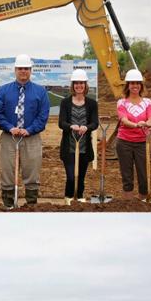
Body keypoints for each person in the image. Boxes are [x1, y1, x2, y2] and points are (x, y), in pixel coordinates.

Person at [0, 54, 50, 207]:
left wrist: (29, 130)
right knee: (8, 171)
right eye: (20, 68)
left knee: (32, 171)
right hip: (9, 137)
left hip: (31, 138)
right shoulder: (4, 90)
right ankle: (8, 204)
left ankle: (31, 204)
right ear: (15, 70)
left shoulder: (40, 91)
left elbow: (43, 115)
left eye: (26, 68)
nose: (23, 71)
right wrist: (10, 127)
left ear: (30, 70)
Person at [58, 68, 100, 203]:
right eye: (76, 83)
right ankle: (68, 200)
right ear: (73, 86)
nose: (79, 86)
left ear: (85, 85)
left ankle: (80, 199)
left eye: (81, 83)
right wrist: (71, 126)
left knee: (80, 177)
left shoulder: (92, 104)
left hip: (84, 147)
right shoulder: (65, 102)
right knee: (71, 177)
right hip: (69, 146)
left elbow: (95, 123)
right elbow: (61, 123)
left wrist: (86, 127)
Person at [115, 69, 151, 200]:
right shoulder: (121, 103)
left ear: (141, 85)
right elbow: (123, 120)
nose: (135, 86)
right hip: (124, 142)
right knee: (127, 175)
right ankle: (129, 203)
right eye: (132, 83)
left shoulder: (148, 102)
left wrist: (148, 123)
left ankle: (143, 201)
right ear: (127, 85)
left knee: (143, 174)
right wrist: (136, 125)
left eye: (137, 83)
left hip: (142, 143)